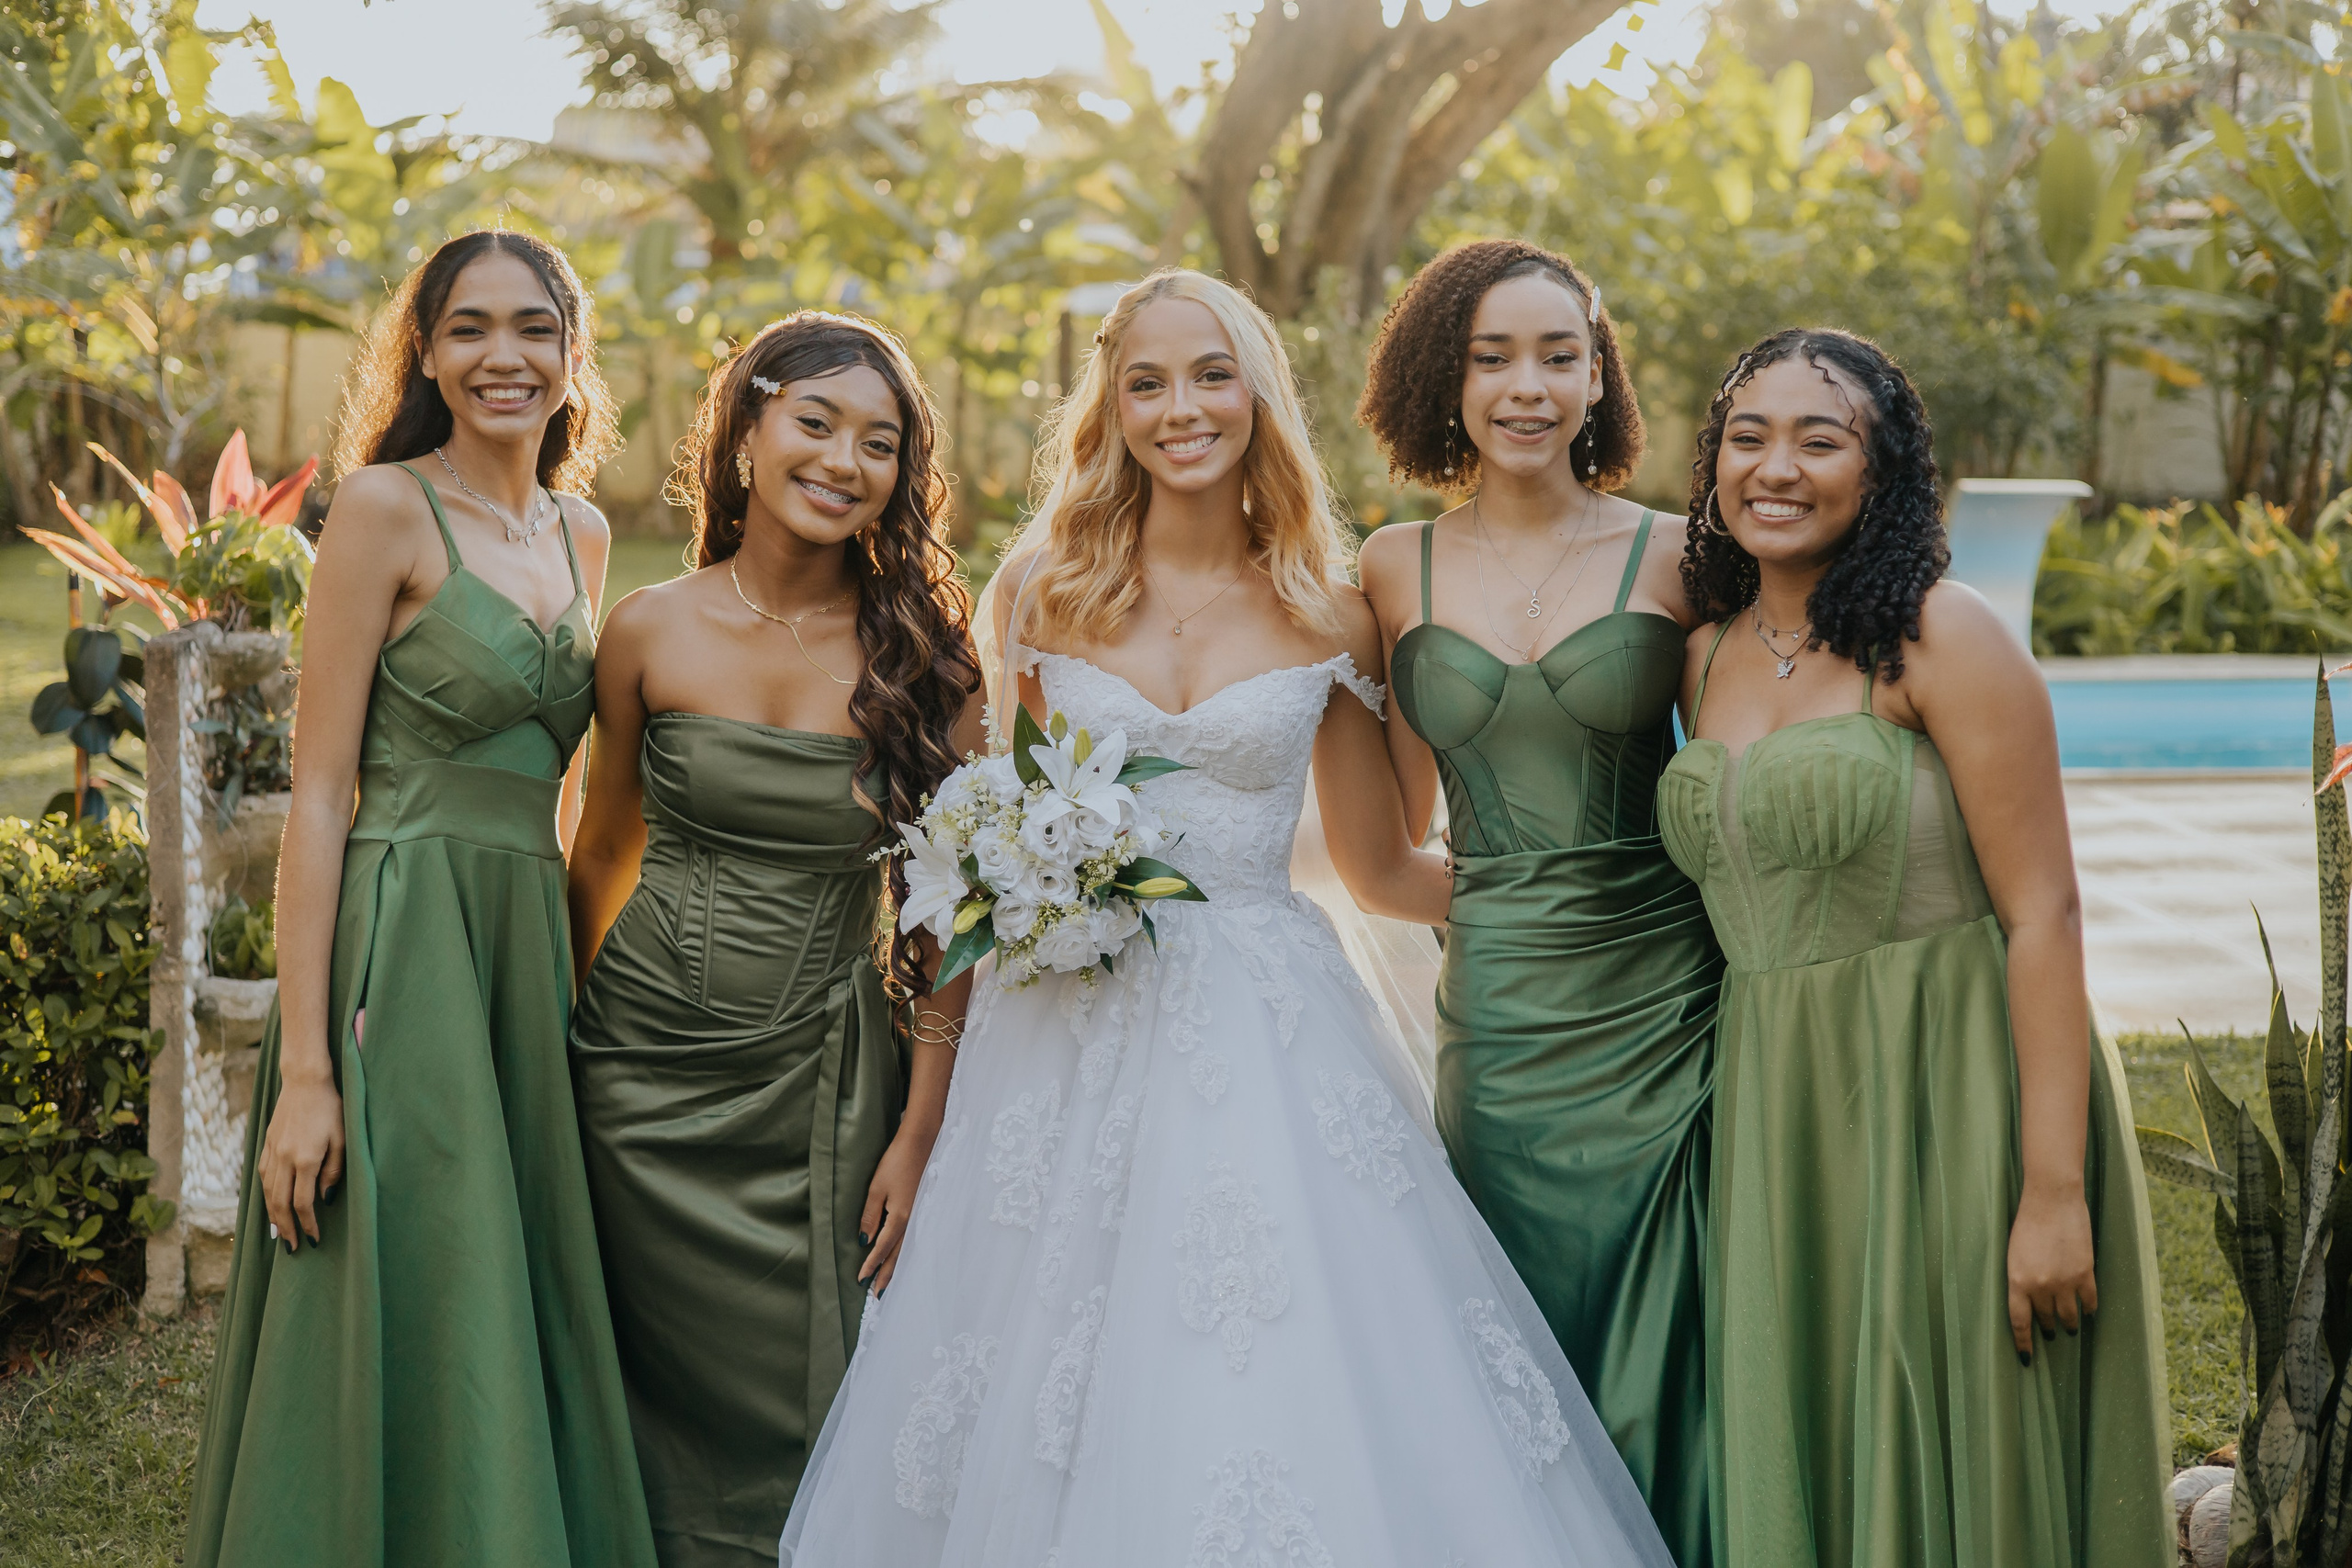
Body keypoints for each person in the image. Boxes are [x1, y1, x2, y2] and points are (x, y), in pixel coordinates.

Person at [777, 267, 1678, 1568]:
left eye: (1210, 376)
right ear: (1111, 405)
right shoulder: (1039, 592)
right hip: (1056, 1043)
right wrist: (922, 1126)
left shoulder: (1332, 603)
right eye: (1145, 382)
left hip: (1265, 1031)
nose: (1179, 408)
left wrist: (1594, 923)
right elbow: (969, 866)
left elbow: (1383, 868)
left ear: (1258, 392)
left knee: (1270, 1363)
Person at [1657, 328, 2171, 1566]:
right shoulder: (1701, 654)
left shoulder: (1944, 635)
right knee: (1814, 1423)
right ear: (1714, 464)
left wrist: (2052, 1193)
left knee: (1959, 1431)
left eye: (1819, 440)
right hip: (1779, 1106)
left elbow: (2042, 913)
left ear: (1880, 471)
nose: (1775, 467)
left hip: (1950, 1093)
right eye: (1748, 436)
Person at [187, 230, 656, 1567]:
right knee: (404, 1271)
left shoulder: (585, 530)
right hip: (398, 953)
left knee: (502, 1281)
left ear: (573, 357)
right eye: (468, 329)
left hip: (521, 957)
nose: (502, 357)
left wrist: (571, 987)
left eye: (532, 329)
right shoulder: (385, 508)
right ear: (428, 354)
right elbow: (321, 799)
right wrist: (308, 1075)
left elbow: (563, 797)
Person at [565, 310, 984, 1566]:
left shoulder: (928, 664)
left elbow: (953, 922)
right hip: (634, 1073)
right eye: (816, 423)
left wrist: (921, 1127)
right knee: (628, 1376)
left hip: (823, 1075)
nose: (845, 461)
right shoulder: (648, 627)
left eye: (881, 442)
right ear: (744, 431)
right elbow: (601, 851)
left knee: (820, 1390)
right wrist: (567, 1037)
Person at [1355, 238, 1721, 1565]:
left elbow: (1744, 771)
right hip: (1502, 1028)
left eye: (1559, 354)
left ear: (1598, 373)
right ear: (1439, 381)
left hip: (1673, 1010)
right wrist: (1508, 905)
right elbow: (1386, 852)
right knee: (1515, 1340)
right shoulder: (1388, 573)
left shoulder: (1685, 555)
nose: (1528, 386)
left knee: (1679, 1325)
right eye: (1491, 357)